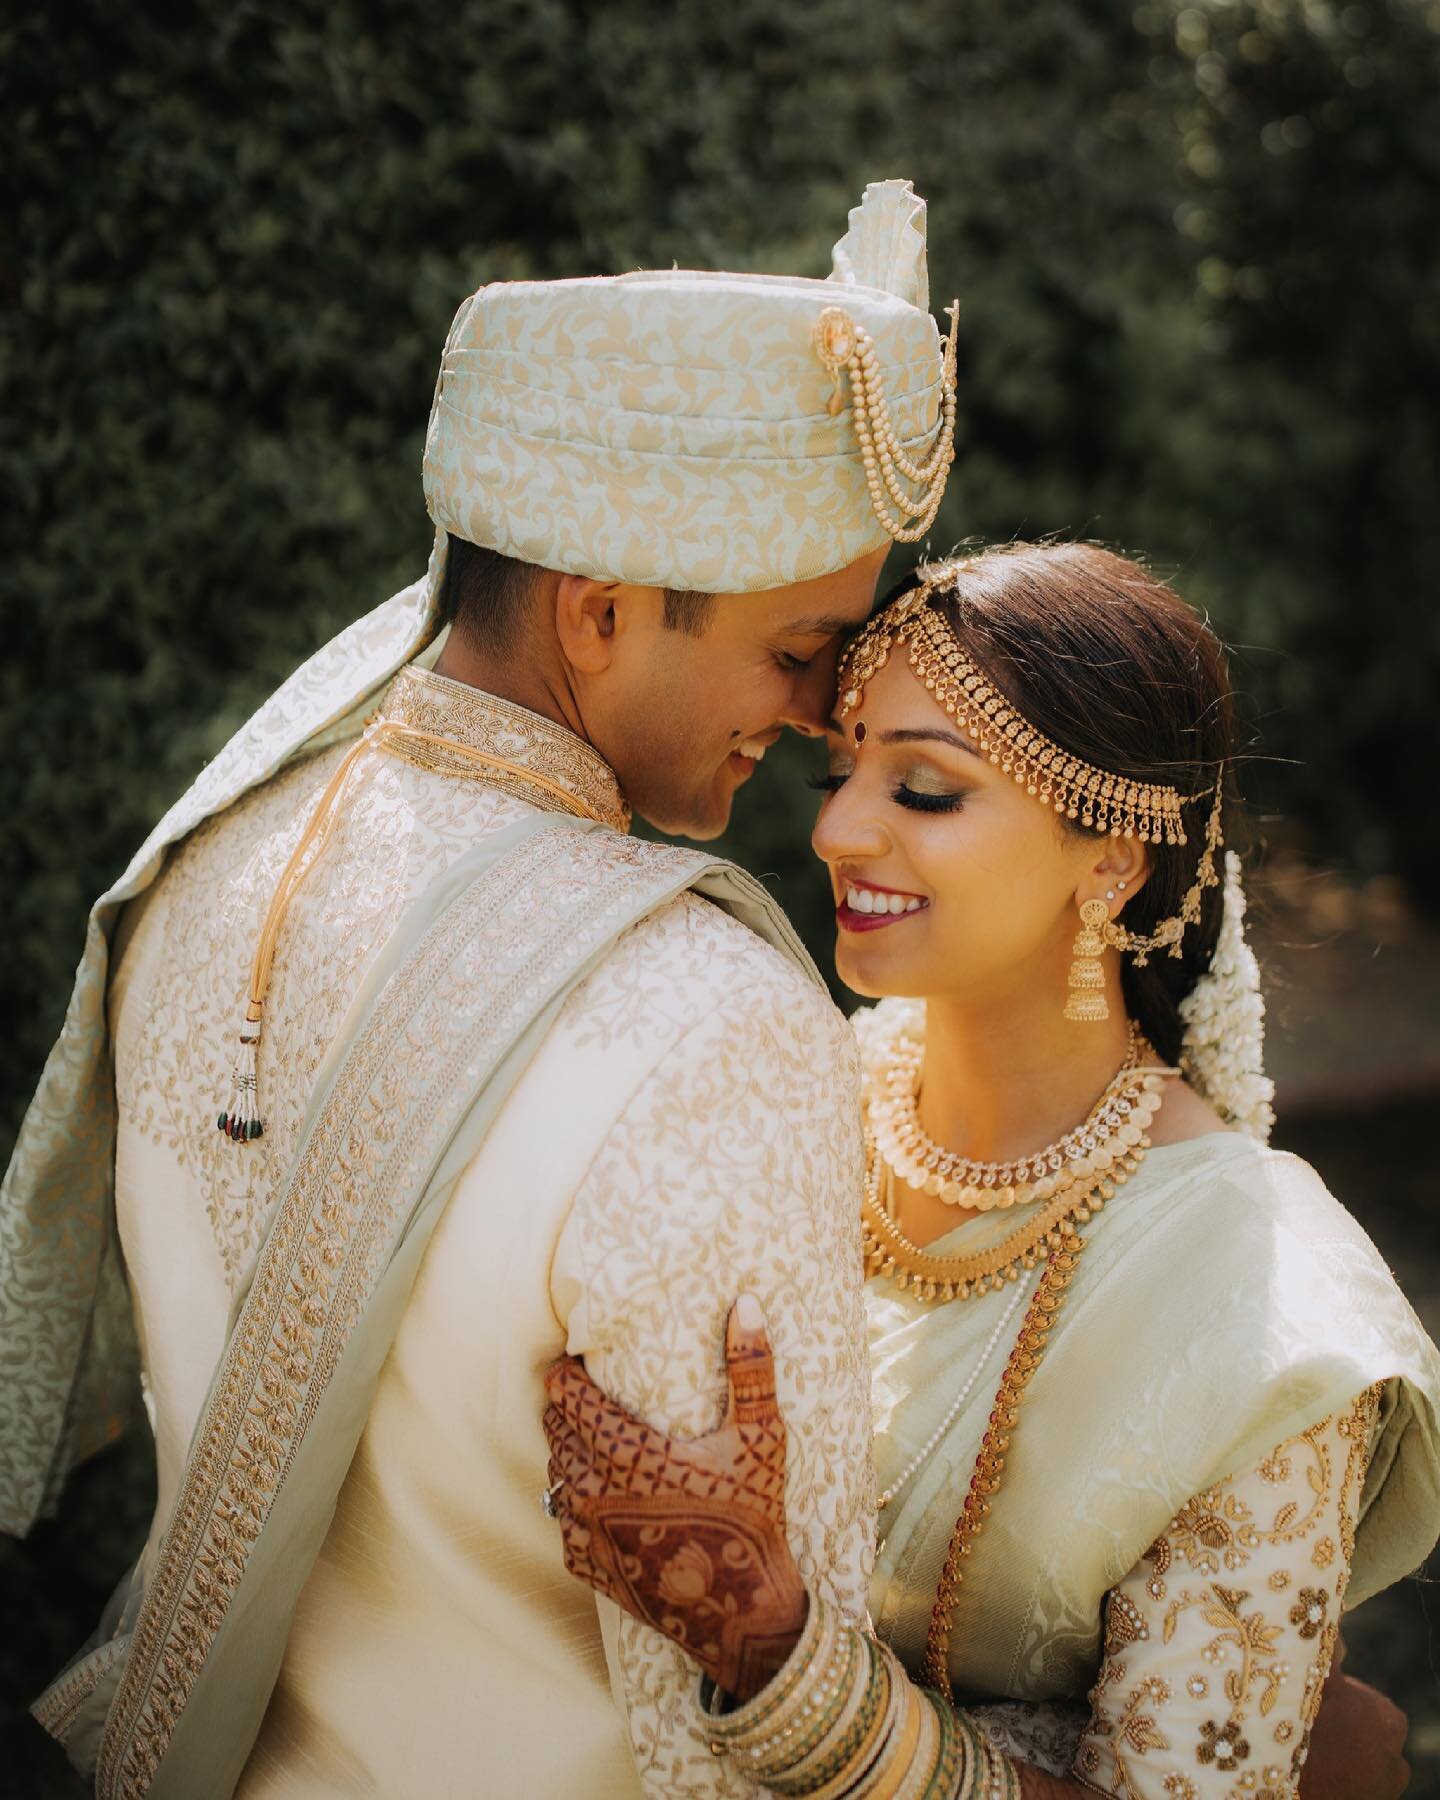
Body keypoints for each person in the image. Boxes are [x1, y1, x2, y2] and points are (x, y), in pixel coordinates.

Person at [0, 179, 959, 1797]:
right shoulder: (708, 1023)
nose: (818, 717)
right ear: (599, 613)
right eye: (800, 651)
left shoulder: (210, 853)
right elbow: (726, 1746)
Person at [542, 544, 1440, 1798]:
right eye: (842, 767)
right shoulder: (782, 1096)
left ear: (1113, 859)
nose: (838, 827)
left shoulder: (1261, 1305)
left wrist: (783, 1667)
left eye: (925, 790)